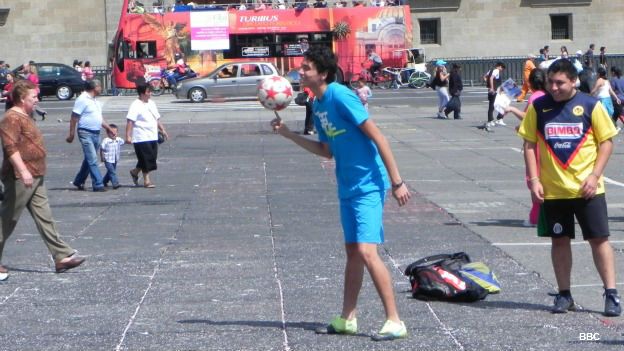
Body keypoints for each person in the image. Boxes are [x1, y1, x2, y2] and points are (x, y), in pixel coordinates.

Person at [271, 46, 411, 341]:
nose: (300, 71)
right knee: (353, 253)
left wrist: (397, 181)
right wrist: (288, 135)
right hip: (347, 186)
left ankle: (394, 320)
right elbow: (326, 150)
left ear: (322, 73)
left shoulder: (340, 95)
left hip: (369, 185)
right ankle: (348, 317)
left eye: (306, 67)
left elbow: (377, 136)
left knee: (366, 251)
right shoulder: (319, 104)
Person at [518, 59, 621, 317]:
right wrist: (534, 181)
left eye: (560, 83)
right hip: (554, 190)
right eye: (551, 82)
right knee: (559, 241)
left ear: (573, 81)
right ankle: (564, 294)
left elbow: (607, 142)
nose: (554, 87)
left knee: (599, 240)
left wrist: (595, 175)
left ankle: (611, 294)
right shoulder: (539, 107)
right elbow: (529, 144)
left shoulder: (590, 105)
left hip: (588, 189)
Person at [0, 80, 86, 281]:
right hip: (20, 176)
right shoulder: (11, 118)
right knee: (7, 219)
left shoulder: (26, 116)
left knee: (44, 216)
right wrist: (22, 170)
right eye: (33, 97)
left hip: (36, 174)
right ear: (22, 99)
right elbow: (10, 148)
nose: (37, 100)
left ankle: (61, 256)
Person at [504, 69, 547, 227]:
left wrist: (512, 109)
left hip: (535, 144)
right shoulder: (547, 96)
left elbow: (527, 117)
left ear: (530, 82)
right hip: (545, 142)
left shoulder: (535, 97)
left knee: (534, 180)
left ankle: (535, 217)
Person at [66, 79, 112, 192]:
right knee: (92, 159)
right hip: (85, 132)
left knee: (89, 159)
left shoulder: (95, 101)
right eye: (100, 86)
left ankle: (79, 180)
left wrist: (108, 128)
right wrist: (71, 134)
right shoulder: (82, 99)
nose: (101, 88)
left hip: (96, 132)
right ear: (94, 88)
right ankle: (98, 184)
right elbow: (74, 118)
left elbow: (99, 118)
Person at [125, 84, 169, 189]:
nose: (150, 94)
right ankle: (147, 180)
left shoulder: (152, 103)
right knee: (146, 158)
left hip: (152, 135)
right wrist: (128, 136)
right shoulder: (135, 105)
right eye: (148, 92)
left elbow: (156, 118)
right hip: (141, 136)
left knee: (151, 157)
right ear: (142, 93)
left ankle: (135, 172)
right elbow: (130, 121)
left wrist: (162, 129)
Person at [100, 124, 124, 189]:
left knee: (110, 171)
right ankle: (115, 183)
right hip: (108, 159)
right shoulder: (106, 140)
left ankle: (104, 181)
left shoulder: (118, 140)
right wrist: (102, 157)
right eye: (112, 132)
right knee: (112, 171)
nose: (114, 134)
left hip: (115, 158)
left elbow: (124, 142)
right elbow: (101, 148)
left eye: (115, 132)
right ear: (107, 133)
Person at [484, 61, 506, 131]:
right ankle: (499, 119)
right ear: (499, 66)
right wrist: (492, 88)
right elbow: (491, 78)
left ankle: (491, 120)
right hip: (494, 90)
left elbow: (485, 77)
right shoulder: (496, 70)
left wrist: (489, 86)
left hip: (491, 90)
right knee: (502, 104)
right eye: (502, 68)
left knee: (491, 106)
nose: (501, 70)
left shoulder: (491, 70)